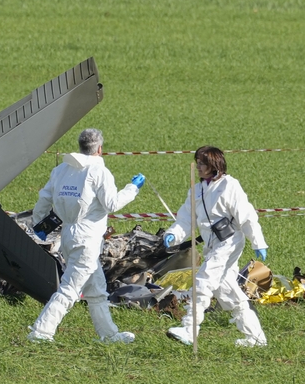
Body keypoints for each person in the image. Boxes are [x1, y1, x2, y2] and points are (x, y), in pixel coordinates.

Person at [27, 128, 145, 343]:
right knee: (70, 288)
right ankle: (41, 332)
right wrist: (132, 189)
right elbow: (111, 204)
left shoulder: (62, 169)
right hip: (88, 239)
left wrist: (39, 223)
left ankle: (109, 335)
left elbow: (44, 199)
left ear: (81, 146)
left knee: (96, 290)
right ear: (99, 148)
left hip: (68, 235)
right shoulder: (99, 172)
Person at [163, 145, 269, 347]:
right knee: (227, 291)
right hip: (211, 245)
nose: (199, 167)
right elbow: (186, 219)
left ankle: (189, 329)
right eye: (198, 162)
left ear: (214, 164)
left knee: (203, 280)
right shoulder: (197, 189)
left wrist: (258, 242)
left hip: (229, 242)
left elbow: (246, 216)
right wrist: (173, 234)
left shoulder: (230, 186)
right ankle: (255, 338)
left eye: (203, 163)